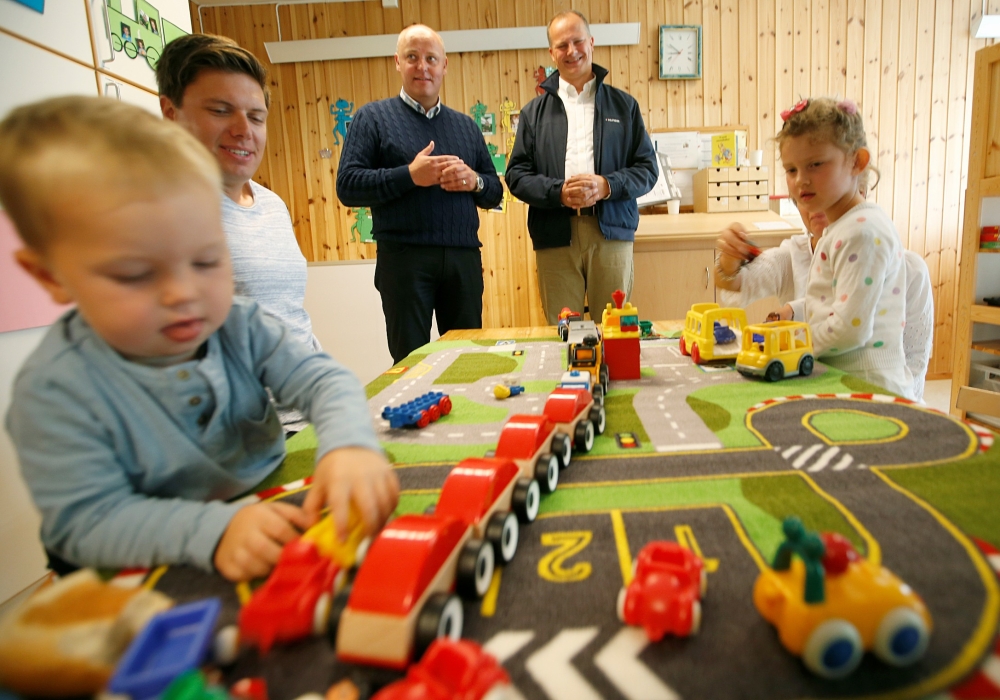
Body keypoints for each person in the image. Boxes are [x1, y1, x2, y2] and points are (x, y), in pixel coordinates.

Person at [0, 96, 399, 582]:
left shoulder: (239, 321)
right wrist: (213, 530)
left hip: (264, 495)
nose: (183, 294)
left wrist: (348, 444)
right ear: (50, 276)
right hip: (145, 554)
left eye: (207, 260)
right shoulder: (53, 389)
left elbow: (323, 380)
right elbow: (87, 522)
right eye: (134, 273)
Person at [157, 34, 318, 432]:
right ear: (171, 113)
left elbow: (290, 318)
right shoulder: (157, 211)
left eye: (256, 117)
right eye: (220, 110)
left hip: (306, 417)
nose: (244, 130)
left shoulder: (272, 204)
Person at [336, 25, 503, 365]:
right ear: (398, 62)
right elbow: (348, 185)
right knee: (410, 362)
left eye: (431, 59)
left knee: (468, 358)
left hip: (463, 259)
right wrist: (410, 175)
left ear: (444, 66)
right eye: (412, 57)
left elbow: (494, 191)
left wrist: (474, 182)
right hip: (404, 260)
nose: (422, 67)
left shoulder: (466, 126)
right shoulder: (373, 118)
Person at [506, 10, 657, 324]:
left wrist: (606, 186)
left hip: (611, 233)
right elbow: (516, 176)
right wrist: (557, 192)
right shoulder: (533, 113)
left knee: (613, 328)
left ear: (591, 43)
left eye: (577, 41)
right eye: (562, 45)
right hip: (554, 235)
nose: (571, 51)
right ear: (552, 53)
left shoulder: (624, 106)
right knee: (563, 330)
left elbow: (647, 169)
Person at [715, 192, 934, 401]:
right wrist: (730, 256)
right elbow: (736, 282)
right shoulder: (796, 254)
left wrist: (794, 315)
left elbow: (913, 362)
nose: (815, 204)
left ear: (859, 188)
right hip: (815, 391)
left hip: (876, 394)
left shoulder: (905, 266)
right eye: (804, 197)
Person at [765, 97, 912, 398]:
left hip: (868, 386)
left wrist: (795, 344)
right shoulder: (844, 227)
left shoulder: (862, 232)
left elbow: (849, 328)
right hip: (848, 381)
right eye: (791, 170)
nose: (801, 180)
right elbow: (829, 306)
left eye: (815, 165)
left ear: (857, 162)